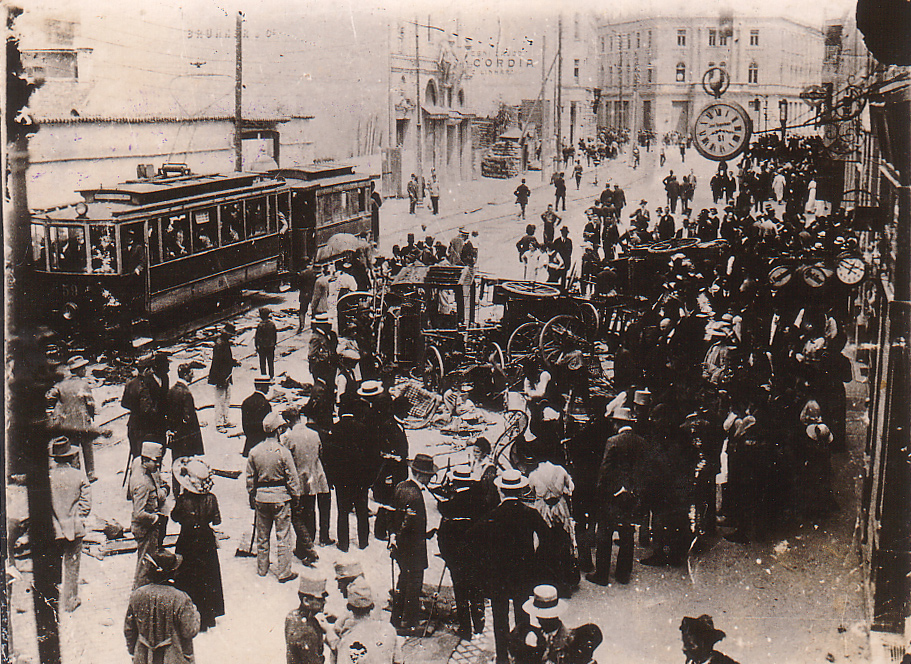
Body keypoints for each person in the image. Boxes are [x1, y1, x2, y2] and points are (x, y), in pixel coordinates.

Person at [469, 469, 549, 664]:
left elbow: (471, 537)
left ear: (501, 491)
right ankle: (523, 656)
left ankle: (503, 658)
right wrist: (535, 561)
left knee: (500, 620)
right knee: (523, 618)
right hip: (523, 575)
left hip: (498, 577)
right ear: (521, 491)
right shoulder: (530, 513)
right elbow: (549, 538)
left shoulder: (493, 515)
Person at [586, 408, 648, 586]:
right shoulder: (642, 442)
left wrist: (601, 493)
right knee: (627, 532)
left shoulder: (612, 441)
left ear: (617, 423)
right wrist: (635, 490)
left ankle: (602, 575)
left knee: (604, 533)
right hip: (631, 495)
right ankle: (623, 573)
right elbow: (644, 471)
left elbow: (605, 471)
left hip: (612, 495)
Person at [246, 411, 301, 582]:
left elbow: (250, 478)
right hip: (280, 498)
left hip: (262, 497)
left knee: (262, 535)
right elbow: (292, 477)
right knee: (283, 535)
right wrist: (295, 496)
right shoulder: (283, 452)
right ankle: (284, 572)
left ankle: (262, 568)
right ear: (278, 430)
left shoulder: (254, 451)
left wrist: (252, 494)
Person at [171, 457, 225, 631]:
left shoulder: (183, 500)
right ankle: (208, 616)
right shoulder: (211, 498)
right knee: (207, 576)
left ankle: (187, 614)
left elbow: (175, 517)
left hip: (187, 539)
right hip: (206, 539)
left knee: (187, 576)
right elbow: (216, 521)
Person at [437, 466, 487, 640]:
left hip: (456, 557)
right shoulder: (481, 501)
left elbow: (442, 534)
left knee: (460, 591)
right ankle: (479, 624)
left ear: (455, 482)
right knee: (476, 588)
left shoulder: (449, 506)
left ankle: (466, 629)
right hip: (477, 555)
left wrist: (447, 556)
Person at [124, 550, 200, 664]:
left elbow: (129, 629)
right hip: (174, 656)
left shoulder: (137, 595)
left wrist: (133, 652)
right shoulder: (181, 598)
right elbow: (189, 631)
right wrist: (196, 614)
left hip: (144, 656)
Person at [389, 453, 436, 635]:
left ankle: (397, 617)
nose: (430, 479)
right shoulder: (416, 495)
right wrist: (425, 534)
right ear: (422, 475)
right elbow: (409, 523)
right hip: (413, 548)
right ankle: (409, 622)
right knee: (414, 584)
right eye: (429, 475)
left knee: (403, 580)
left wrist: (393, 538)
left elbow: (393, 515)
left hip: (400, 547)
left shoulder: (401, 487)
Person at [322, 398, 372, 552]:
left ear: (340, 412)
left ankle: (343, 544)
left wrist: (330, 479)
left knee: (342, 511)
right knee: (362, 510)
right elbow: (369, 456)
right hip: (360, 478)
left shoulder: (334, 429)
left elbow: (328, 457)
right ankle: (363, 541)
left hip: (341, 479)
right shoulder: (363, 428)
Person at [48, 436, 92, 612]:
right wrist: (78, 517)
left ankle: (51, 600)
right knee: (72, 564)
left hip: (53, 528)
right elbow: (86, 503)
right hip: (73, 527)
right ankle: (70, 601)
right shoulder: (78, 475)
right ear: (70, 457)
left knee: (53, 563)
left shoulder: (48, 477)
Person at [46, 355, 104, 482]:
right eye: (83, 368)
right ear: (78, 370)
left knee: (73, 447)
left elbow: (50, 396)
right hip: (83, 422)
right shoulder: (83, 384)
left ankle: (76, 473)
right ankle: (90, 474)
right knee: (87, 447)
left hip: (67, 423)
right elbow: (90, 403)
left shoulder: (61, 385)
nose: (85, 370)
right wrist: (91, 416)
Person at [280, 406, 322, 563]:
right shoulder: (314, 434)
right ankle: (304, 546)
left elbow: (284, 461)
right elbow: (319, 453)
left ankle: (304, 548)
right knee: (311, 513)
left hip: (296, 481)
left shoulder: (288, 438)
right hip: (312, 479)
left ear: (288, 421)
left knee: (297, 515)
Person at [328, 578, 403, 664]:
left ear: (349, 607)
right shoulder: (389, 629)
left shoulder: (346, 639)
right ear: (372, 606)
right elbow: (398, 661)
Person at [129, 441, 170, 589]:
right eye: (155, 461)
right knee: (144, 565)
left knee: (147, 562)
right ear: (145, 460)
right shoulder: (142, 483)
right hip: (146, 529)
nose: (158, 465)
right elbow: (139, 513)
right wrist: (156, 518)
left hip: (148, 527)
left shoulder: (141, 467)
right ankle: (139, 594)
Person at [122, 354, 169, 461]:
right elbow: (147, 409)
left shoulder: (131, 383)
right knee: (148, 458)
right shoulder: (144, 384)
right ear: (148, 369)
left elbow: (124, 403)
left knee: (141, 457)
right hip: (147, 427)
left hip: (137, 425)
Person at [166, 364, 204, 488]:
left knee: (175, 463)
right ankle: (187, 489)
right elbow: (188, 418)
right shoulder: (186, 393)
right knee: (187, 463)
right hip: (186, 437)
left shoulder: (171, 390)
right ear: (186, 375)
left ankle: (176, 490)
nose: (193, 375)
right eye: (191, 373)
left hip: (175, 434)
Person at [285, 573, 332, 664]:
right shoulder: (307, 631)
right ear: (306, 601)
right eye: (320, 599)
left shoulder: (291, 616)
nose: (324, 602)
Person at [208, 324, 237, 430]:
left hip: (226, 376)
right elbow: (217, 363)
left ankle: (225, 419)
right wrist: (220, 379)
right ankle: (219, 423)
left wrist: (233, 362)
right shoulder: (220, 344)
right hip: (221, 377)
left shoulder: (224, 342)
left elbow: (226, 359)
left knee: (227, 399)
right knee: (220, 400)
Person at [241, 377, 273, 457]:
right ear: (260, 387)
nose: (268, 389)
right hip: (262, 444)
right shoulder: (265, 404)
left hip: (249, 443)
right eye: (266, 386)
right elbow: (268, 426)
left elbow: (245, 425)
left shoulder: (246, 401)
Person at [309, 313, 338, 387]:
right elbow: (311, 355)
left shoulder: (327, 334)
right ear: (321, 325)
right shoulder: (316, 337)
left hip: (328, 366)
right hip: (321, 368)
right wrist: (321, 364)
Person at [255, 307, 278, 379]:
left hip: (262, 347)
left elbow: (257, 337)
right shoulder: (272, 324)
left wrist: (256, 346)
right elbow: (275, 335)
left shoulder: (260, 325)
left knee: (263, 363)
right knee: (270, 362)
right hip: (270, 346)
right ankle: (271, 376)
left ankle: (264, 377)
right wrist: (274, 344)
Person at [298, 257, 318, 333]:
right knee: (313, 309)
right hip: (312, 293)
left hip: (303, 294)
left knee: (302, 311)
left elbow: (298, 285)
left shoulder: (302, 273)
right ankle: (313, 325)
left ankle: (301, 325)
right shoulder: (314, 272)